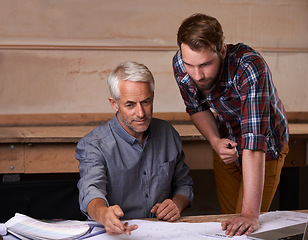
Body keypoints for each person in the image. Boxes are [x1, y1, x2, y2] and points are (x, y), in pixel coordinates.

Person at [173, 13, 289, 236]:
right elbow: (196, 107)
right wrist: (215, 141)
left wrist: (250, 215)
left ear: (222, 51)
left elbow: (254, 141)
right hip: (226, 142)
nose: (197, 75)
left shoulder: (251, 67)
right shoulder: (180, 61)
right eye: (190, 65)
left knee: (247, 226)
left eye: (206, 64)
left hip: (265, 147)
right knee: (228, 224)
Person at [76, 61, 193, 236]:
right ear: (114, 104)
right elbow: (90, 190)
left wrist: (177, 203)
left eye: (146, 102)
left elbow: (184, 184)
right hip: (115, 234)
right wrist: (103, 213)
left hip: (161, 232)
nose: (141, 113)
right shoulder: (94, 144)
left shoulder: (168, 134)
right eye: (130, 105)